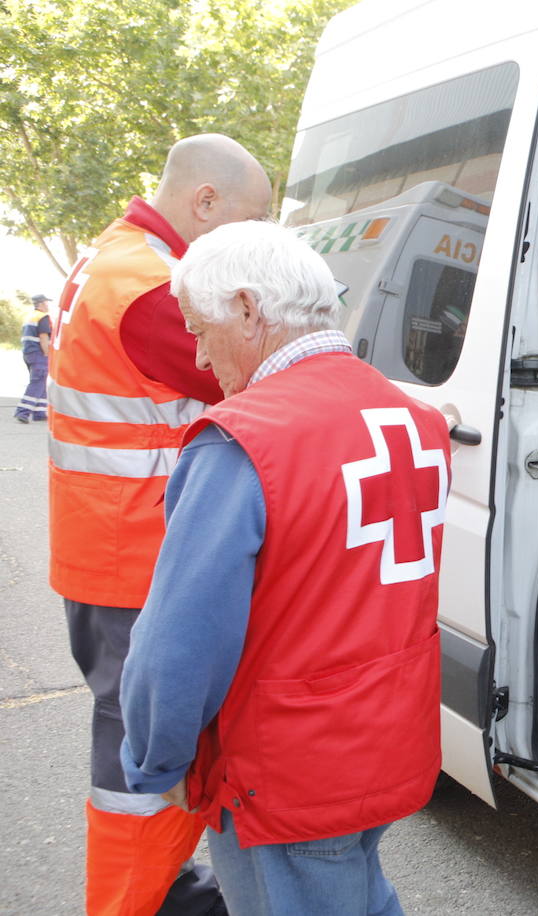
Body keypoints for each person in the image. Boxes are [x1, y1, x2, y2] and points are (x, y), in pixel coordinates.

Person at [119, 219, 449, 915]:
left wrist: (158, 758)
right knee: (359, 891)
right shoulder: (414, 420)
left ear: (246, 307)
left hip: (289, 771)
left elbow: (178, 641)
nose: (201, 359)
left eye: (199, 330)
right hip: (387, 740)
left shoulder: (243, 441)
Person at [47, 134, 272, 916]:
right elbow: (260, 368)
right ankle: (129, 902)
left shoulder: (114, 257)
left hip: (107, 545)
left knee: (141, 745)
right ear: (203, 202)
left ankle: (164, 889)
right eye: (245, 227)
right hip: (136, 557)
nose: (249, 252)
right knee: (140, 764)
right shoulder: (156, 287)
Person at [14, 293, 51, 423]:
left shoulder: (30, 317)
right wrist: (47, 353)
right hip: (39, 354)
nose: (48, 305)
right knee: (38, 381)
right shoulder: (43, 317)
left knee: (41, 381)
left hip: (28, 353)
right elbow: (43, 337)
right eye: (46, 302)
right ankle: (22, 411)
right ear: (41, 304)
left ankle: (40, 412)